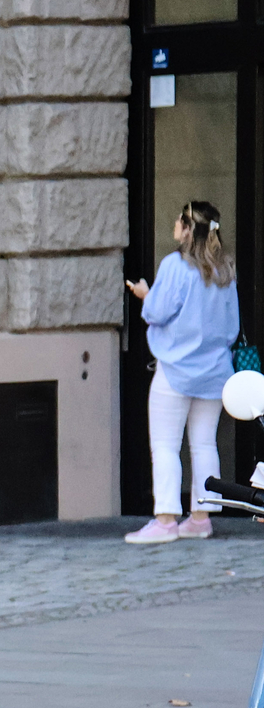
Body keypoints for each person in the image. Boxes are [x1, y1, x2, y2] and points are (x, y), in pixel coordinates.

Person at [125, 200, 242, 544]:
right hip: (215, 371)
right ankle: (201, 518)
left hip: (175, 370)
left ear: (189, 229)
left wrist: (146, 295)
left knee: (165, 445)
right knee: (204, 443)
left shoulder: (175, 266)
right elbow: (232, 328)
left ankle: (165, 520)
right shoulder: (226, 270)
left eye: (179, 220)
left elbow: (157, 312)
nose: (174, 224)